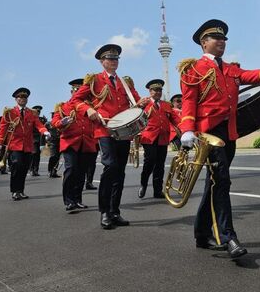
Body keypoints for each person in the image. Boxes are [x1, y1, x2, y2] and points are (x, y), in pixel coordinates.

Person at [178, 19, 260, 258]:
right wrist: (186, 128)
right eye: (216, 39)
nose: (221, 42)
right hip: (208, 134)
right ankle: (227, 236)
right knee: (222, 182)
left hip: (228, 133)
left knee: (215, 184)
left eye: (223, 39)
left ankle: (201, 233)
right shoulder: (193, 70)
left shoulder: (230, 68)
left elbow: (248, 76)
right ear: (203, 43)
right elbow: (188, 101)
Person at [70, 44, 150, 229]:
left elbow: (135, 104)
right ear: (102, 61)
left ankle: (115, 211)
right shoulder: (94, 80)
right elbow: (75, 101)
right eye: (110, 58)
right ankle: (104, 211)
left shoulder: (125, 83)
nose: (114, 61)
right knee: (110, 167)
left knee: (119, 172)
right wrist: (89, 109)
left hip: (123, 132)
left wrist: (142, 104)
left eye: (116, 59)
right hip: (104, 130)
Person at [0, 88, 50, 200]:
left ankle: (21, 190)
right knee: (17, 166)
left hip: (27, 145)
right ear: (16, 99)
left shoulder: (32, 113)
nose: (22, 99)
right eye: (20, 97)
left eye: (25, 97)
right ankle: (15, 191)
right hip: (15, 144)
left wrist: (45, 131)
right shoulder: (9, 112)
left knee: (24, 168)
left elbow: (38, 125)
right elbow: (3, 128)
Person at [53, 78, 98, 211]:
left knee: (81, 172)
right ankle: (68, 200)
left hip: (86, 143)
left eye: (82, 90)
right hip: (70, 143)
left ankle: (77, 199)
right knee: (71, 169)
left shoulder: (90, 106)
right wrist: (62, 122)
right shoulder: (63, 107)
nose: (79, 92)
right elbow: (55, 122)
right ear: (72, 91)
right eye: (77, 90)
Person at [138, 79, 180, 199]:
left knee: (160, 165)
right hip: (149, 137)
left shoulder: (166, 105)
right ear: (150, 91)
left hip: (163, 137)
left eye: (160, 90)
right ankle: (143, 184)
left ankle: (157, 190)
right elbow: (136, 117)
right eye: (155, 90)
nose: (158, 92)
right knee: (149, 162)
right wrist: (139, 106)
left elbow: (175, 119)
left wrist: (184, 127)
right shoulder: (144, 103)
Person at [29, 105, 43, 176]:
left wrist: (43, 143)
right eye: (37, 111)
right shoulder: (30, 119)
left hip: (38, 140)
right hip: (32, 139)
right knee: (33, 154)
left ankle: (35, 170)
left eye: (39, 112)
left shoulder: (41, 120)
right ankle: (32, 169)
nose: (38, 113)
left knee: (37, 155)